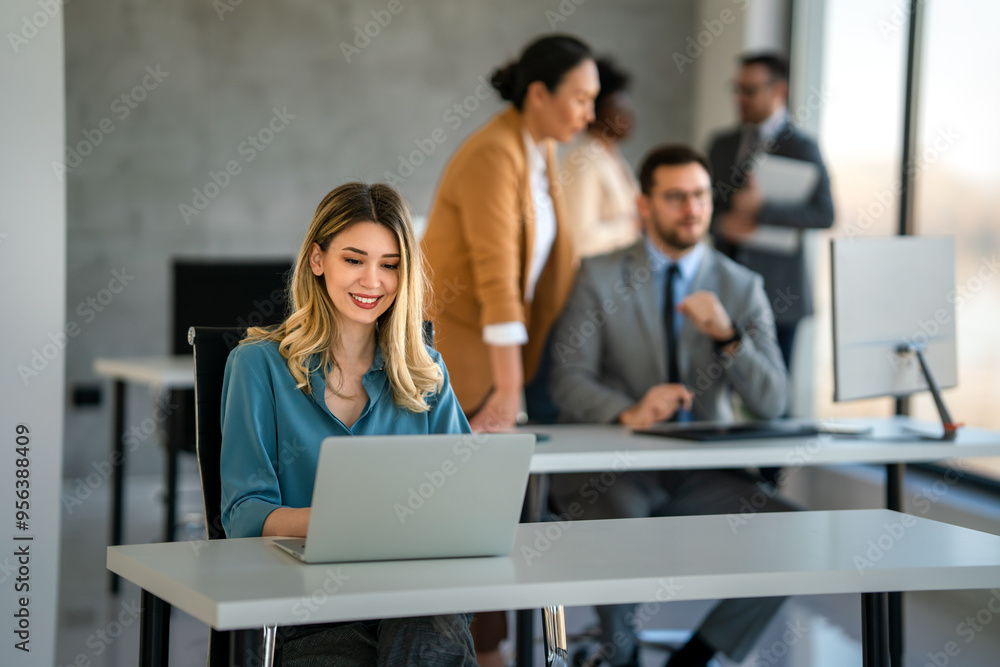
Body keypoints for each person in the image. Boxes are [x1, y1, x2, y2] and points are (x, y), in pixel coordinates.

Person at [549, 145, 798, 667]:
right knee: (619, 529)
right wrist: (628, 411)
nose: (693, 209)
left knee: (792, 536)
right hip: (613, 473)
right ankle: (621, 654)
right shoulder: (598, 276)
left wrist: (729, 338)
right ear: (645, 206)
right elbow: (567, 381)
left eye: (702, 196)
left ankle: (694, 658)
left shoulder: (741, 285)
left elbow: (774, 401)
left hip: (701, 474)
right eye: (676, 197)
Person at [219, 182, 477, 666]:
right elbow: (244, 513)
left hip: (414, 594)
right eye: (354, 260)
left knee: (430, 624)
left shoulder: (426, 372)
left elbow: (465, 493)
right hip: (310, 606)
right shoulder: (257, 366)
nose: (372, 281)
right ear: (318, 260)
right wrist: (330, 525)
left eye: (390, 264)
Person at [421, 36, 598, 663]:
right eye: (579, 98)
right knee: (469, 520)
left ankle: (486, 651)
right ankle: (475, 653)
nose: (588, 112)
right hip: (463, 358)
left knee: (492, 518)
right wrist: (508, 391)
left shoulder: (537, 150)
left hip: (501, 356)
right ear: (539, 94)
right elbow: (498, 282)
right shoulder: (493, 154)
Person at [707, 52, 834, 378]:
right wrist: (719, 223)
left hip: (781, 295)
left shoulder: (803, 147)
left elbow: (824, 213)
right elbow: (700, 207)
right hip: (724, 291)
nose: (740, 99)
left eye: (749, 90)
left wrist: (762, 210)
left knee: (772, 400)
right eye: (736, 89)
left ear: (779, 90)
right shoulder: (721, 144)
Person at [561, 56, 641, 258]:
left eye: (628, 106)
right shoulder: (583, 161)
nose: (627, 115)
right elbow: (580, 239)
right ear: (596, 110)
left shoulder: (613, 157)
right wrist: (634, 225)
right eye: (618, 106)